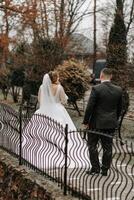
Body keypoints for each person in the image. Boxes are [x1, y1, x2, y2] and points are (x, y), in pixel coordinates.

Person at [22, 71, 89, 169]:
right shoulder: (59, 88)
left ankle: (41, 154)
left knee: (42, 132)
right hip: (58, 110)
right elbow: (64, 101)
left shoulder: (42, 87)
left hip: (43, 111)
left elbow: (40, 100)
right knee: (61, 132)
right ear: (55, 78)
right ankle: (61, 153)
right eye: (58, 77)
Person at [83, 68, 122, 176]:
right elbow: (119, 108)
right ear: (111, 77)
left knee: (92, 145)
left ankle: (95, 168)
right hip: (110, 123)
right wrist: (114, 119)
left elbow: (90, 107)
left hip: (96, 123)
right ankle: (105, 170)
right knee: (107, 146)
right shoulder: (118, 90)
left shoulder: (96, 89)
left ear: (101, 76)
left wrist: (86, 121)